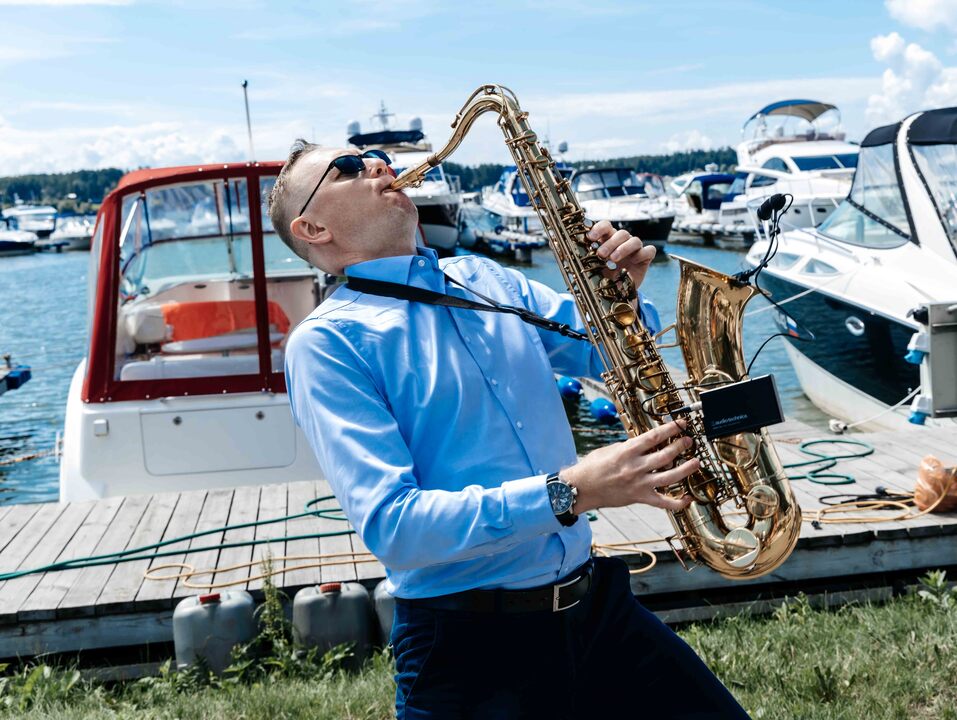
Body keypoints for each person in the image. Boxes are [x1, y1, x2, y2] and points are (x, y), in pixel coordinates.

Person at [270, 140, 751, 719]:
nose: (379, 165)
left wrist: (620, 297)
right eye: (348, 168)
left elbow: (606, 357)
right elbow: (395, 529)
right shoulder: (327, 345)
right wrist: (572, 490)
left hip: (596, 608)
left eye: (374, 156)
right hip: (469, 650)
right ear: (313, 227)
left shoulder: (484, 277)